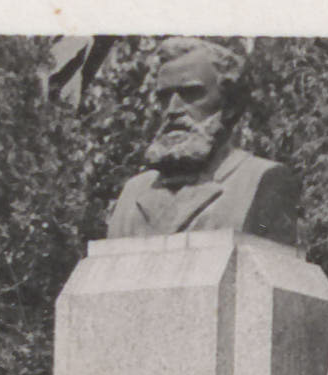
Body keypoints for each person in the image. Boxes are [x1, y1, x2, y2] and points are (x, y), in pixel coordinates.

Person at [104, 36, 302, 245]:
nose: (173, 109)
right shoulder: (133, 192)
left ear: (231, 105)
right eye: (164, 97)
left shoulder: (262, 180)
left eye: (191, 94)